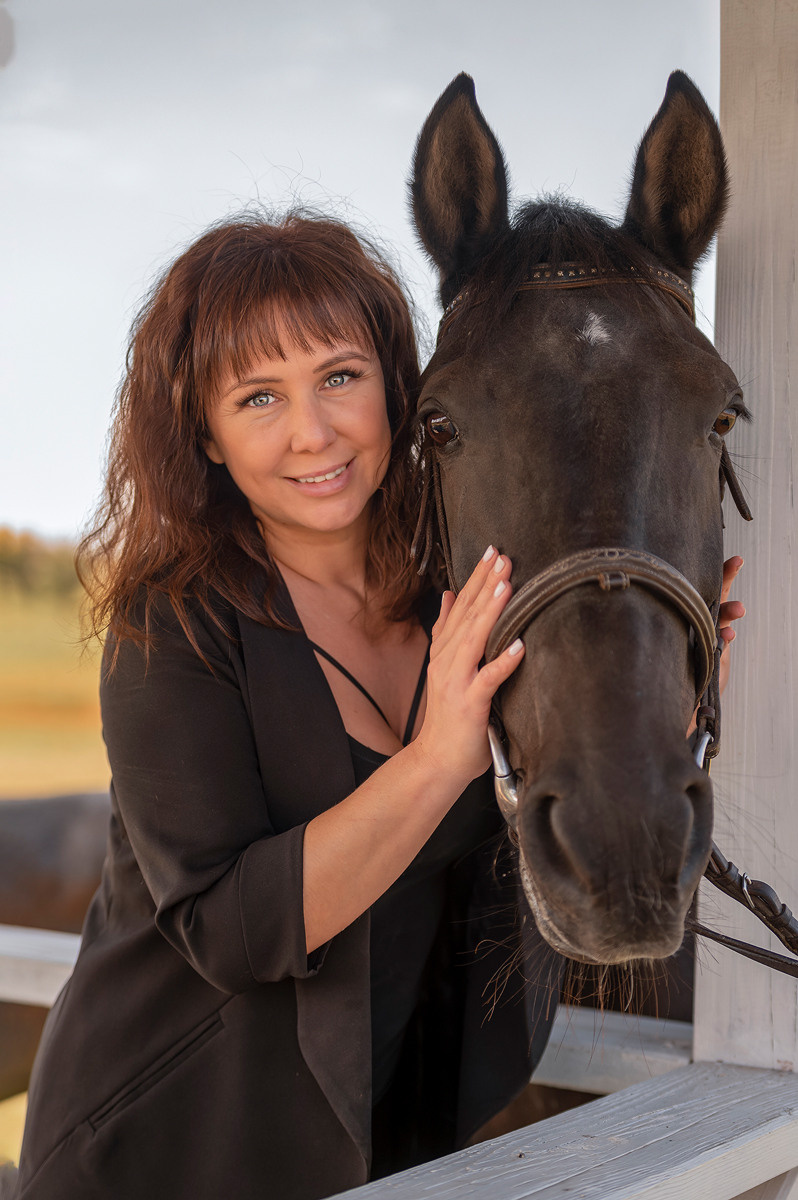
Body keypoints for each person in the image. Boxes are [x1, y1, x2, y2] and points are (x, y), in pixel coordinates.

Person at [15, 212, 745, 1200]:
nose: (312, 432)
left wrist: (660, 683)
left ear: (397, 387)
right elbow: (232, 933)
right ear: (206, 433)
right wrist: (437, 759)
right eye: (260, 396)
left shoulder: (455, 599)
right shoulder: (175, 630)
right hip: (168, 1147)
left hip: (386, 1147)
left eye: (340, 378)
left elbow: (536, 827)